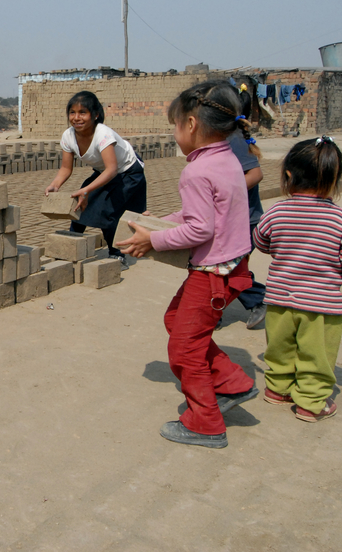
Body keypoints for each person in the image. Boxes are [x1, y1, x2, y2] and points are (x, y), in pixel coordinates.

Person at [117, 79, 258, 449]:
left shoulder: (196, 171)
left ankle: (205, 423)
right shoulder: (227, 159)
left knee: (185, 348)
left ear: (191, 125)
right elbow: (198, 214)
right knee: (175, 323)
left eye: (175, 126)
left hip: (213, 273)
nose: (175, 134)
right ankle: (233, 383)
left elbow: (200, 228)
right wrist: (158, 222)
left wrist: (154, 240)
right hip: (232, 268)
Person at [253, 136, 342, 422]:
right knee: (316, 354)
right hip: (321, 304)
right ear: (335, 178)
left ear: (287, 176)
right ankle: (311, 402)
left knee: (279, 347)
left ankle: (278, 388)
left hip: (279, 298)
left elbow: (261, 241)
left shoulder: (276, 212)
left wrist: (283, 248)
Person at [44, 91, 147, 267]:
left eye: (82, 113)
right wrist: (55, 185)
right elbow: (66, 168)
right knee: (80, 204)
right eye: (72, 112)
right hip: (104, 171)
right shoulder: (68, 136)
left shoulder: (103, 135)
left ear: (95, 115)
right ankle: (70, 247)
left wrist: (87, 190)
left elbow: (112, 169)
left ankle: (116, 254)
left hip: (128, 172)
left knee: (108, 211)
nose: (76, 118)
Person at [229, 88, 267, 329]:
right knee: (221, 268)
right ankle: (213, 312)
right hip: (231, 219)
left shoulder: (232, 139)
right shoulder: (223, 139)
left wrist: (225, 192)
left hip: (244, 220)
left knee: (228, 268)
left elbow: (256, 173)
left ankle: (259, 300)